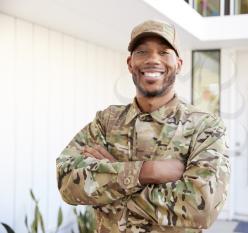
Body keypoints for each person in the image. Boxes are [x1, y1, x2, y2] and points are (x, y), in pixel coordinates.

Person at [56, 19, 230, 233]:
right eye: (142, 52)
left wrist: (110, 178)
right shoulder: (107, 121)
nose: (152, 59)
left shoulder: (205, 127)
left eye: (164, 52)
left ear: (179, 64)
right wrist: (148, 171)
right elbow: (67, 183)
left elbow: (202, 209)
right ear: (130, 63)